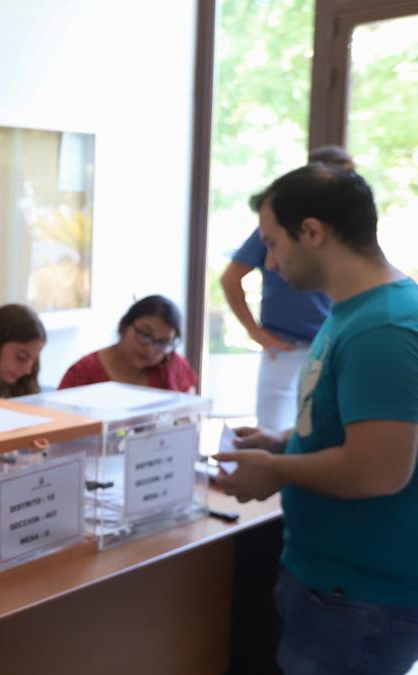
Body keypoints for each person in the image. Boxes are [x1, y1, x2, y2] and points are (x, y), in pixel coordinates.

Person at [215, 164, 418, 674]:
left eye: (272, 242)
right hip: (331, 586)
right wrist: (283, 441)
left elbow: (379, 470)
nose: (268, 260)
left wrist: (275, 469)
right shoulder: (351, 312)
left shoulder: (384, 327)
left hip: (359, 599)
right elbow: (348, 426)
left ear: (312, 232)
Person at [219, 146, 353, 431]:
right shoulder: (276, 228)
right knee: (273, 426)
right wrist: (254, 331)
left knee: (322, 424)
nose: (271, 263)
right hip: (284, 343)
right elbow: (230, 278)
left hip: (327, 341)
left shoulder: (349, 241)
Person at [59, 295, 197, 393]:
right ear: (124, 326)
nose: (149, 349)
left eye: (162, 342)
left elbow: (191, 416)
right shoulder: (83, 372)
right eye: (144, 334)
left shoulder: (173, 365)